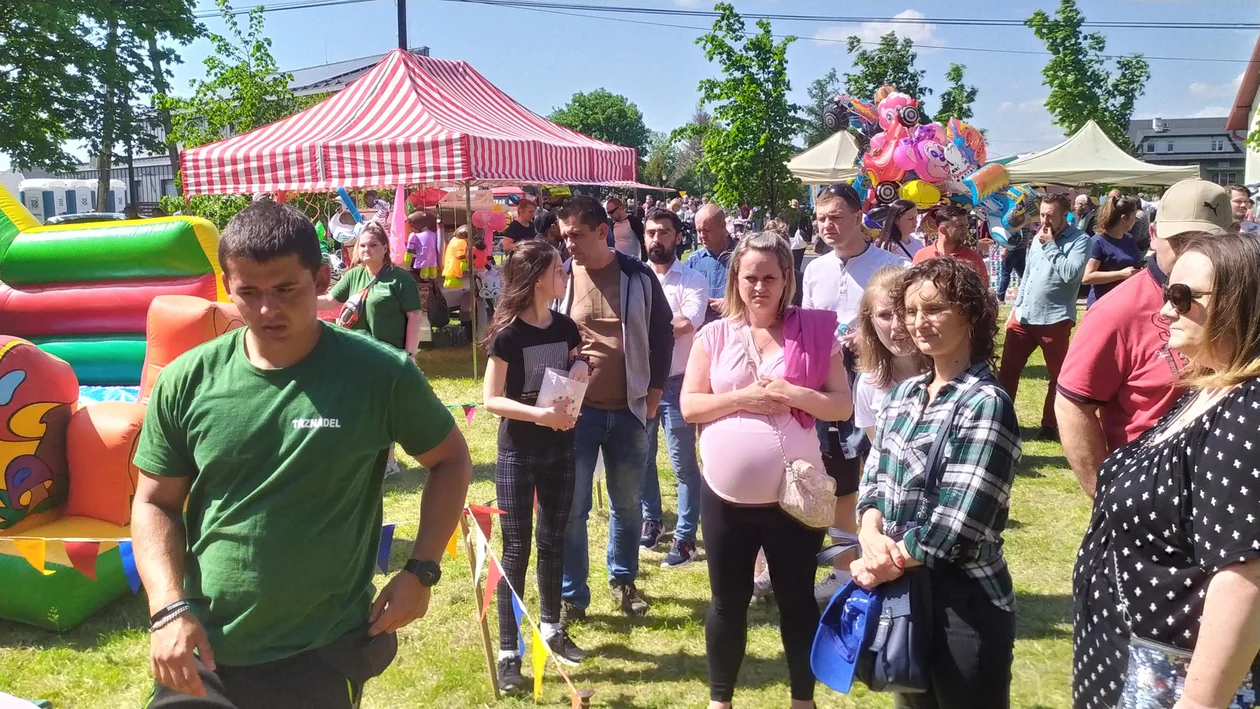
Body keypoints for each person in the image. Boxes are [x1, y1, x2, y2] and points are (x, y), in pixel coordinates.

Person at [132, 201, 472, 708]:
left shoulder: (380, 373)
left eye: (285, 289)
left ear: (318, 279)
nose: (267, 309)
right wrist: (166, 608)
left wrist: (421, 570)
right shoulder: (188, 379)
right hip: (201, 646)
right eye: (248, 292)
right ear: (228, 286)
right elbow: (154, 501)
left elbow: (451, 459)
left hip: (321, 649)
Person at [1072, 233, 1260, 709]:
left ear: (1241, 304)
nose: (1165, 311)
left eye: (1182, 297)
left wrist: (1199, 703)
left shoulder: (1247, 411)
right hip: (1125, 661)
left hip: (1166, 681)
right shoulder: (1207, 390)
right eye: (1165, 293)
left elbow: (1245, 576)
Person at [681, 231, 851, 709]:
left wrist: (793, 394)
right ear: (736, 278)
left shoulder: (815, 334)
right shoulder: (713, 335)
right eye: (750, 277)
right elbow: (691, 405)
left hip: (792, 499)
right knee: (725, 602)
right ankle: (721, 700)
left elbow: (841, 405)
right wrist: (744, 399)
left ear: (786, 280)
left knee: (796, 599)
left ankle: (802, 700)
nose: (759, 287)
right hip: (725, 498)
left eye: (769, 277)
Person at [854, 256, 1021, 709]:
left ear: (970, 314)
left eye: (933, 309)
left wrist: (881, 563)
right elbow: (872, 483)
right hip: (902, 593)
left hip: (963, 603)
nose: (917, 322)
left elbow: (956, 527)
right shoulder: (904, 395)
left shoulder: (986, 403)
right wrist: (870, 536)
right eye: (910, 311)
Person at [1055, 179, 1233, 496]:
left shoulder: (1242, 301)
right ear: (1153, 235)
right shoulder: (1117, 311)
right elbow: (1073, 406)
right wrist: (1106, 497)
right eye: (1180, 241)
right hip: (1150, 497)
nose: (1192, 254)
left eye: (1206, 241)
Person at [556, 196, 673, 621]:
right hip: (575, 414)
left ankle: (623, 579)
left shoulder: (638, 276)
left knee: (627, 505)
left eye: (576, 235)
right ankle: (572, 595)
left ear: (603, 232)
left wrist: (654, 396)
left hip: (630, 412)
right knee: (572, 508)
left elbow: (663, 336)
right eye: (564, 235)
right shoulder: (561, 277)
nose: (568, 244)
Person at [482, 240, 591, 692]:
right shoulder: (507, 335)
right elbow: (491, 400)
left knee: (553, 541)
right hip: (518, 451)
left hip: (560, 449)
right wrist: (540, 415)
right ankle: (510, 653)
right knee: (515, 550)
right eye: (556, 269)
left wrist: (582, 365)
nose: (563, 274)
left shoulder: (565, 327)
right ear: (535, 278)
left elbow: (577, 358)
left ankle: (550, 627)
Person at [800, 184, 907, 599]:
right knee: (840, 478)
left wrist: (870, 339)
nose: (827, 226)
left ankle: (888, 558)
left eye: (835, 217)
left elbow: (906, 328)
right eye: (821, 218)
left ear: (858, 215)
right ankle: (845, 568)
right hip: (831, 384)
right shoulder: (814, 268)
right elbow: (810, 324)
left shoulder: (891, 267)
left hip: (881, 381)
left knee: (879, 471)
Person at [637, 209, 708, 567]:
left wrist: (643, 329)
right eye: (650, 232)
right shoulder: (634, 278)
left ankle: (685, 539)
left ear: (677, 237)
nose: (656, 239)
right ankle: (652, 522)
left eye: (663, 232)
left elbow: (687, 323)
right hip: (640, 382)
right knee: (643, 458)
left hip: (679, 383)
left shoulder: (692, 279)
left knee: (682, 465)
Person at [996, 193, 1090, 440]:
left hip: (1055, 319)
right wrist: (1015, 309)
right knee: (1007, 374)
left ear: (1065, 216)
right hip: (1024, 317)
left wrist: (1050, 245)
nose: (1045, 221)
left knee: (1058, 376)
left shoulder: (1080, 240)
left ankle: (1049, 425)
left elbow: (1071, 274)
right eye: (1042, 215)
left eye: (1051, 216)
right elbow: (1027, 275)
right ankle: (1000, 423)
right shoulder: (1037, 238)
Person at [851, 265, 927, 442]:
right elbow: (878, 455)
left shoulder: (948, 371)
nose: (896, 326)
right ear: (870, 321)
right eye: (885, 315)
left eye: (905, 312)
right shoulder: (869, 382)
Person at [1081, 195, 1143, 307]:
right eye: (1134, 216)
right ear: (1124, 218)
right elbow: (1087, 277)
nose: (1136, 220)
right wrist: (1121, 274)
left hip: (1125, 302)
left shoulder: (1128, 239)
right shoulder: (1098, 242)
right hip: (1102, 304)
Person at [912, 204, 988, 288]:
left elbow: (984, 292)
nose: (966, 231)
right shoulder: (922, 255)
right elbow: (913, 288)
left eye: (966, 225)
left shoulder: (973, 258)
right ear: (943, 230)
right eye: (960, 226)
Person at [686, 204, 738, 321]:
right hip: (701, 332)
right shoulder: (693, 261)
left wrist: (731, 304)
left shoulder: (743, 257)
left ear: (723, 226)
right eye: (698, 231)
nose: (702, 236)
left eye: (707, 230)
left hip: (735, 328)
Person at [604, 195, 646, 259]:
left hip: (632, 261)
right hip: (618, 260)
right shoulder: (613, 225)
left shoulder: (633, 221)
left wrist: (644, 259)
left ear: (620, 208)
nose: (610, 215)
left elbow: (643, 241)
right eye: (608, 213)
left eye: (612, 212)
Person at [405, 211, 440, 278]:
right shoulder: (434, 234)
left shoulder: (415, 236)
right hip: (433, 256)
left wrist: (407, 255)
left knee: (424, 265)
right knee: (431, 264)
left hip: (423, 255)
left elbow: (410, 247)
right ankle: (432, 273)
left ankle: (426, 273)